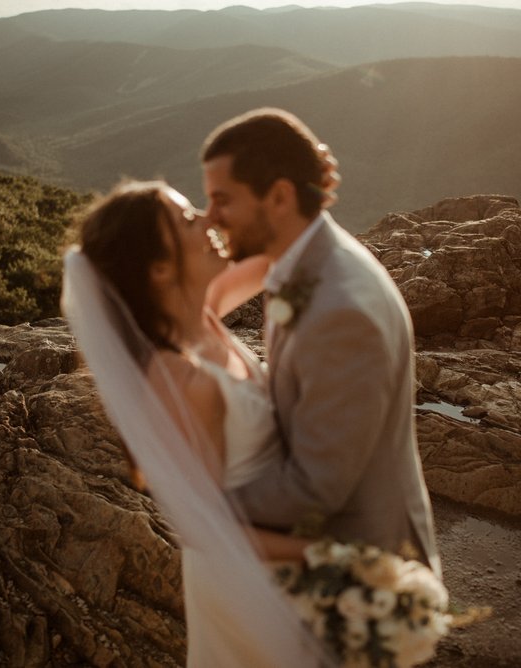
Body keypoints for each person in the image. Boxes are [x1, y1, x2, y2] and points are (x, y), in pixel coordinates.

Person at [60, 180, 331, 666]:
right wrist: (324, 548)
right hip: (249, 578)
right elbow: (208, 529)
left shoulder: (200, 314)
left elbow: (278, 253)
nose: (209, 218)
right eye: (189, 220)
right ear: (161, 269)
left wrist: (302, 185)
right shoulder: (183, 381)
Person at [201, 107, 441, 576]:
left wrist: (200, 499)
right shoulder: (301, 259)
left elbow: (314, 489)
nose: (210, 216)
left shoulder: (341, 311)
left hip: (360, 577)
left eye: (222, 200)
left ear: (280, 196)